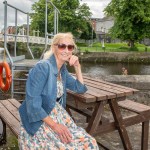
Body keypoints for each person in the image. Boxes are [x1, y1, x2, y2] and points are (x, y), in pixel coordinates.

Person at [18, 32, 99, 149]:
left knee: (89, 142)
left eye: (70, 47)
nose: (66, 50)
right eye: (62, 46)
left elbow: (80, 88)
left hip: (57, 114)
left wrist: (77, 67)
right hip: (40, 119)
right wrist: (55, 125)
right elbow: (33, 104)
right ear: (54, 47)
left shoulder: (62, 69)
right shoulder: (42, 67)